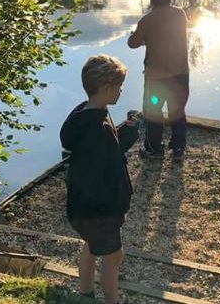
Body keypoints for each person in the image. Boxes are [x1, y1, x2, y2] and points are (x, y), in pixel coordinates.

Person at [60, 54, 139, 304]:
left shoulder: (84, 114)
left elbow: (97, 152)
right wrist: (128, 136)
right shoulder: (99, 128)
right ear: (106, 89)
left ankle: (85, 294)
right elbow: (109, 162)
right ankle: (112, 301)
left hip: (82, 207)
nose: (121, 91)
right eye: (119, 86)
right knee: (113, 257)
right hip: (101, 210)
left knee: (90, 246)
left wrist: (119, 132)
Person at [127, 0, 189, 161]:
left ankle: (154, 150)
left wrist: (135, 32)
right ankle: (178, 149)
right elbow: (169, 35)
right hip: (181, 74)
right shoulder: (180, 14)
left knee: (153, 112)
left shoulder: (147, 20)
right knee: (177, 110)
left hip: (157, 78)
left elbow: (132, 43)